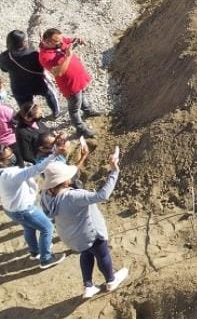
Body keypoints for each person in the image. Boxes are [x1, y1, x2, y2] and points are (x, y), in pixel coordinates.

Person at [40, 148, 128, 298]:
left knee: (86, 253)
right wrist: (114, 170)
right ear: (65, 180)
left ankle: (88, 286)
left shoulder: (45, 195)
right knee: (102, 255)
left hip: (71, 237)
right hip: (90, 234)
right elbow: (103, 195)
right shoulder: (74, 196)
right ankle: (111, 280)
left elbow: (49, 212)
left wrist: (83, 157)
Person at [0, 145, 67, 269]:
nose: (12, 157)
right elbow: (40, 168)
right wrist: (55, 154)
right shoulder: (13, 174)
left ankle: (35, 252)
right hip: (24, 210)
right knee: (47, 227)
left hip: (11, 209)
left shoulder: (5, 173)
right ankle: (46, 259)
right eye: (8, 156)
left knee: (29, 228)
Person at [38, 28, 99, 138]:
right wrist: (68, 56)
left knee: (83, 94)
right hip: (70, 85)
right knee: (74, 108)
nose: (61, 42)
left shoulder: (59, 41)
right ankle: (80, 128)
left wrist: (77, 39)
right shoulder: (44, 56)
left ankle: (87, 110)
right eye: (57, 41)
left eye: (61, 39)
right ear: (47, 42)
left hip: (79, 78)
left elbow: (69, 40)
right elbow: (58, 72)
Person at [0, 30, 60, 118]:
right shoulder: (32, 54)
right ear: (23, 42)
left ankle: (33, 123)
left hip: (19, 87)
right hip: (38, 83)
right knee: (50, 94)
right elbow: (42, 67)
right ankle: (56, 113)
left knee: (28, 110)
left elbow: (4, 70)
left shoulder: (4, 57)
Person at [13, 102, 49, 166]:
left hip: (52, 152)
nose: (42, 116)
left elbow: (45, 131)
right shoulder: (22, 133)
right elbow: (26, 155)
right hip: (43, 160)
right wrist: (40, 162)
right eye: (39, 115)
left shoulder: (36, 121)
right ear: (28, 118)